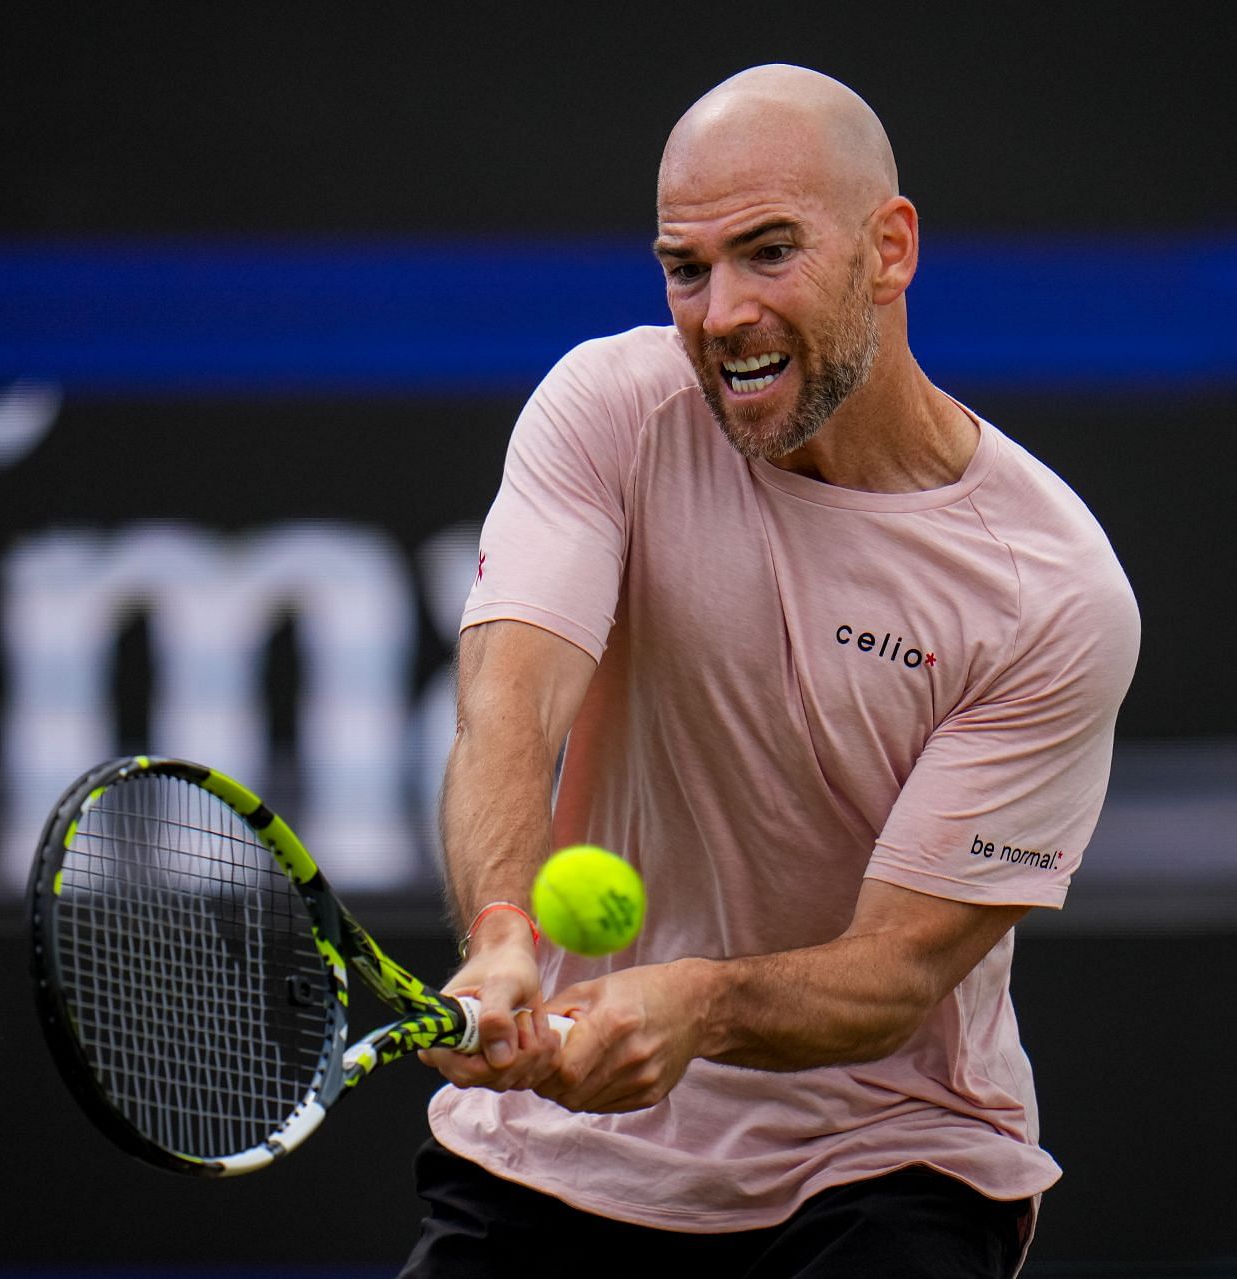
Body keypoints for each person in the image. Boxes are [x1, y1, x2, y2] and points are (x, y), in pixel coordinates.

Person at [403, 63, 1139, 1278]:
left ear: (888, 249)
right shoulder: (607, 409)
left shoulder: (1048, 592)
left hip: (885, 1163)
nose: (721, 312)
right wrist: (500, 931)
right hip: (552, 1158)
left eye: (768, 252)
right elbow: (510, 711)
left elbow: (896, 967)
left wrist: (698, 1004)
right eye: (686, 269)